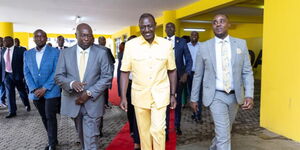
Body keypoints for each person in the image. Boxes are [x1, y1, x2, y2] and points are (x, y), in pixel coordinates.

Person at [191, 14, 254, 150]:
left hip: (235, 96)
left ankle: (214, 147)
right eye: (214, 22)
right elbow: (198, 75)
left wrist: (249, 95)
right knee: (224, 135)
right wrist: (194, 98)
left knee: (225, 131)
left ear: (228, 24)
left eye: (221, 21)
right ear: (212, 26)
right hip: (215, 95)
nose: (218, 24)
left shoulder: (241, 44)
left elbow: (247, 72)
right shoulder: (204, 47)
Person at [120, 13, 177, 150]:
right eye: (143, 27)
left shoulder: (166, 45)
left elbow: (172, 70)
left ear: (155, 26)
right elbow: (124, 72)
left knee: (158, 130)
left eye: (149, 26)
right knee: (144, 133)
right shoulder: (131, 45)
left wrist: (173, 94)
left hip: (160, 95)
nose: (146, 30)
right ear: (139, 28)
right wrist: (123, 97)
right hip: (140, 96)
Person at [55, 23, 112, 150]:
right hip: (73, 102)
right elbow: (58, 76)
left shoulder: (101, 53)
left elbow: (107, 76)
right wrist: (71, 83)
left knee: (91, 138)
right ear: (76, 35)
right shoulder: (65, 53)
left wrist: (89, 92)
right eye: (83, 35)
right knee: (82, 136)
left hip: (93, 102)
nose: (87, 38)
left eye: (89, 36)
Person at [24, 29, 61, 150]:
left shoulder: (55, 52)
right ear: (33, 38)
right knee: (44, 117)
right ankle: (53, 139)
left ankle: (52, 144)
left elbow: (56, 71)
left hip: (51, 91)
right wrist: (34, 89)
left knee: (50, 116)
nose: (40, 38)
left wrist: (45, 88)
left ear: (46, 38)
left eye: (42, 36)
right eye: (37, 36)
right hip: (35, 93)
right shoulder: (27, 54)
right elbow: (26, 72)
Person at [165, 22, 193, 136]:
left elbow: (189, 59)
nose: (170, 28)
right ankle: (165, 129)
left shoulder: (181, 42)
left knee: (177, 103)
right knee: (165, 104)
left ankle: (177, 126)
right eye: (167, 27)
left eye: (172, 26)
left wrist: (186, 73)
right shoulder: (161, 41)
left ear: (175, 29)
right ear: (165, 30)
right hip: (163, 79)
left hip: (179, 78)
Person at [118, 36, 141, 149]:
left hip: (141, 87)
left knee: (138, 112)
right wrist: (122, 95)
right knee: (131, 111)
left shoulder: (142, 54)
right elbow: (122, 74)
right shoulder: (125, 55)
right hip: (130, 85)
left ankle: (138, 138)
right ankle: (133, 130)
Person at [2, 36, 31, 118]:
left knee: (22, 91)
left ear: (10, 41)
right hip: (7, 75)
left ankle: (26, 104)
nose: (3, 43)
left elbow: (26, 64)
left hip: (18, 75)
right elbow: (2, 64)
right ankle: (12, 111)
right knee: (9, 93)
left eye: (5, 41)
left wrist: (24, 75)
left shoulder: (21, 50)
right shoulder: (3, 50)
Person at [97, 36, 115, 137]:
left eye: (103, 40)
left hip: (102, 82)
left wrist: (109, 80)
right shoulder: (93, 49)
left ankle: (99, 129)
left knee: (100, 106)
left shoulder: (107, 50)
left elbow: (111, 64)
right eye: (100, 40)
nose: (102, 42)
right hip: (92, 82)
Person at [187, 31, 202, 123]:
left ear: (198, 37)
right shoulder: (186, 46)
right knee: (191, 95)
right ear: (190, 36)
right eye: (192, 35)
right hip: (189, 74)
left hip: (199, 74)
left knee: (198, 95)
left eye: (196, 35)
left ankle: (198, 115)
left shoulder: (202, 46)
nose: (194, 36)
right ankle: (194, 113)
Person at [0, 37, 6, 108]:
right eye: (1, 41)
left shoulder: (6, 50)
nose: (2, 43)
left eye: (2, 41)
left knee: (3, 87)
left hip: (4, 72)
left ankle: (2, 101)